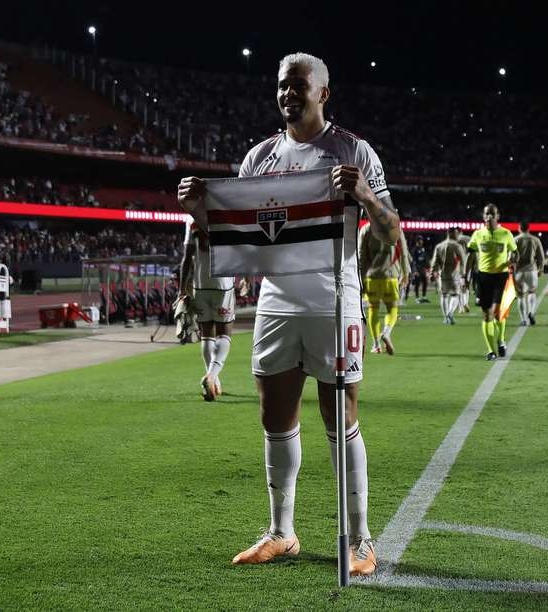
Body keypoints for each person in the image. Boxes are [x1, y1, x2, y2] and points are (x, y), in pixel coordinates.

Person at [177, 52, 400, 577]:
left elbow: (391, 230)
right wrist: (199, 211)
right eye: (282, 84)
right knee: (274, 418)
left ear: (323, 92)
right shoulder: (259, 158)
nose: (287, 93)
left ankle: (361, 539)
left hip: (334, 300)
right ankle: (282, 532)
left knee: (340, 417)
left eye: (298, 84)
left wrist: (364, 195)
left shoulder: (353, 151)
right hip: (276, 303)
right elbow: (236, 239)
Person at [179, 214, 235, 400]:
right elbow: (238, 249)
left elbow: (187, 257)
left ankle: (214, 383)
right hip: (223, 282)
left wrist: (181, 290)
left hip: (200, 284)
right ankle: (211, 376)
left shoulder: (191, 218)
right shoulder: (225, 213)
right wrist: (244, 276)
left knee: (207, 335)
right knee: (224, 333)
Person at [465, 204, 517, 360]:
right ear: (483, 216)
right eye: (486, 214)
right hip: (483, 277)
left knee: (498, 313)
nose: (489, 217)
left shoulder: (506, 234)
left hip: (501, 277)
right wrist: (465, 277)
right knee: (487, 315)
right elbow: (470, 256)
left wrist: (512, 261)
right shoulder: (477, 234)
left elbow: (515, 252)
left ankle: (501, 340)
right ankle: (490, 350)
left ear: (497, 216)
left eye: (492, 214)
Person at [358, 223, 410, 354]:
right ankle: (386, 333)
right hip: (390, 275)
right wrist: (405, 273)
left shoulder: (366, 229)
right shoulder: (395, 227)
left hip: (372, 276)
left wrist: (360, 278)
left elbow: (361, 255)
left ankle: (376, 345)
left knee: (373, 309)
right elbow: (404, 251)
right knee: (392, 308)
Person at [429, 228, 467, 325]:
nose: (458, 235)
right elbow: (463, 261)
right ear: (452, 234)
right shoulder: (457, 246)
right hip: (454, 275)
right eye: (456, 233)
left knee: (444, 295)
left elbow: (435, 261)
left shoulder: (439, 246)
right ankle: (450, 313)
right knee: (455, 295)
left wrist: (432, 273)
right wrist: (463, 275)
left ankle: (446, 317)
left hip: (442, 275)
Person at [514, 221, 545, 325]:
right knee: (532, 292)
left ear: (519, 228)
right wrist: (541, 269)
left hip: (519, 271)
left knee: (521, 295)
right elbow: (541, 256)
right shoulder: (535, 239)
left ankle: (523, 320)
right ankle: (531, 312)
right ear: (528, 228)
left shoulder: (515, 239)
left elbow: (511, 257)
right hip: (532, 271)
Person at [455, 227, 473, 312]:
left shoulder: (455, 240)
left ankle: (461, 306)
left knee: (459, 287)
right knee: (466, 285)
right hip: (467, 265)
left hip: (458, 266)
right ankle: (465, 303)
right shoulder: (467, 239)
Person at [409, 235, 430, 303]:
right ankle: (417, 298)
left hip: (422, 268)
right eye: (421, 240)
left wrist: (427, 267)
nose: (422, 241)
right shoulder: (414, 250)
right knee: (417, 284)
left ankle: (424, 297)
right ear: (417, 241)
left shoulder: (422, 248)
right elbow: (413, 261)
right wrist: (415, 270)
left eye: (422, 240)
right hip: (417, 268)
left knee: (425, 282)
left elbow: (425, 259)